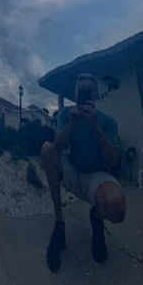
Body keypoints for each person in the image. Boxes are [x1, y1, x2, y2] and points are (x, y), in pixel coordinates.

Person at [39, 73, 126, 271]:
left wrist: (96, 127)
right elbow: (56, 149)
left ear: (95, 95)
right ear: (76, 94)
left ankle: (96, 217)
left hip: (96, 174)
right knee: (46, 148)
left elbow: (114, 161)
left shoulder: (107, 122)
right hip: (71, 168)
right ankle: (59, 225)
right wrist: (71, 125)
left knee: (118, 210)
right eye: (81, 90)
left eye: (88, 89)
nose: (85, 92)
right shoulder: (66, 114)